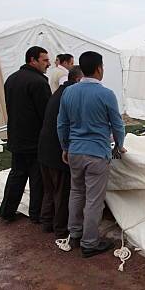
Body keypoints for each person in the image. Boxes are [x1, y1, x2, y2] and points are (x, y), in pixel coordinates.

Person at [57, 51, 126, 257]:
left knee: (76, 193)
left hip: (75, 152)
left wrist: (65, 147)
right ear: (98, 68)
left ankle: (75, 233)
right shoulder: (106, 94)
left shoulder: (68, 92)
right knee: (94, 200)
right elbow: (117, 125)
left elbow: (62, 124)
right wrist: (118, 145)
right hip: (96, 153)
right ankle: (90, 243)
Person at [0, 46, 51, 224]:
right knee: (37, 179)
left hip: (16, 137)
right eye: (44, 60)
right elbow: (46, 114)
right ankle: (36, 214)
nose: (49, 64)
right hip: (34, 140)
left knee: (17, 175)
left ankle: (6, 212)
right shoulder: (39, 82)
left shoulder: (11, 79)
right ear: (32, 60)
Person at [37, 66, 83, 238]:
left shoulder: (59, 91)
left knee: (49, 189)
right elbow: (66, 124)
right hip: (57, 150)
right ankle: (60, 229)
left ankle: (47, 222)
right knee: (63, 191)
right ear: (79, 80)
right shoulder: (71, 95)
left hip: (44, 147)